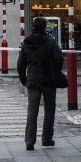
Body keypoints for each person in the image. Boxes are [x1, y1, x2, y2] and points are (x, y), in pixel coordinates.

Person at [18, 17, 64, 151]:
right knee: (49, 109)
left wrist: (23, 78)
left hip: (32, 78)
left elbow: (21, 63)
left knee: (32, 110)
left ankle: (29, 141)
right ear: (44, 27)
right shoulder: (50, 41)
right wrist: (55, 72)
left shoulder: (27, 42)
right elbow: (59, 58)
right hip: (48, 78)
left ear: (33, 27)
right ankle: (47, 139)